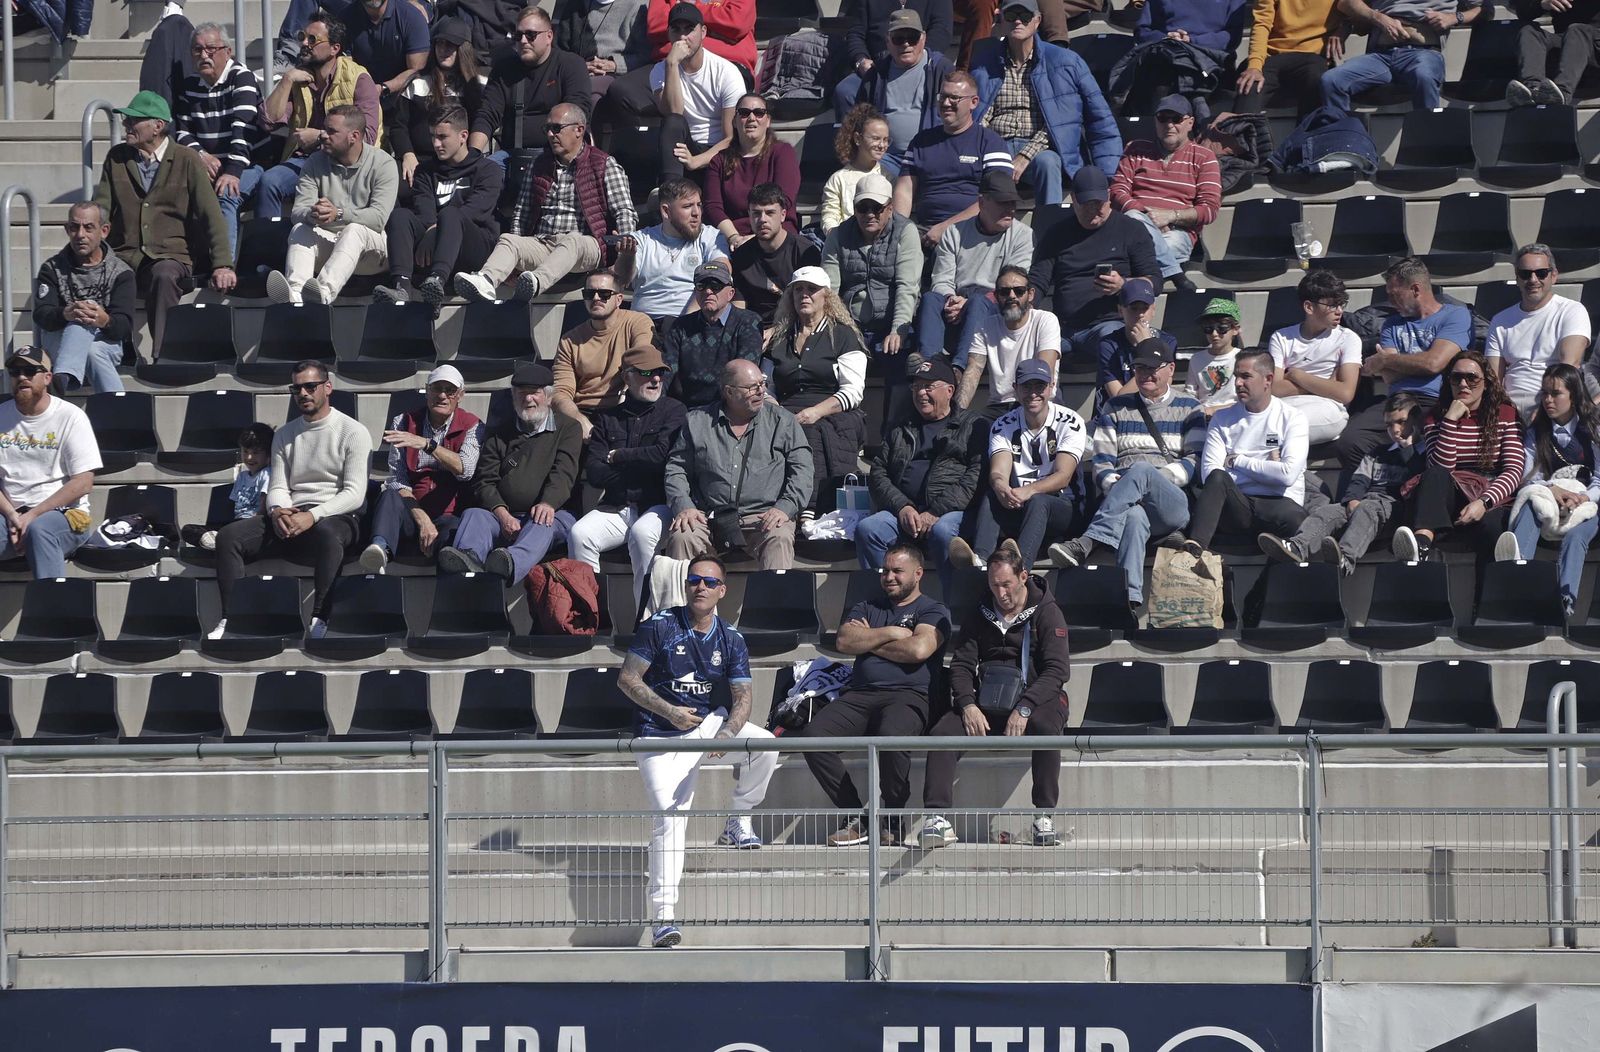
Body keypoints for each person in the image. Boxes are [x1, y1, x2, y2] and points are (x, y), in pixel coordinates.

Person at [617, 553, 777, 950]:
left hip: (704, 729)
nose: (700, 587)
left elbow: (743, 697)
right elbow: (627, 679)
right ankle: (663, 919)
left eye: (709, 581)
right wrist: (668, 711)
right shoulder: (659, 625)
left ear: (722, 590)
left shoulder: (731, 637)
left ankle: (737, 820)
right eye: (694, 580)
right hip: (657, 736)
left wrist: (726, 734)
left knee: (766, 747)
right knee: (670, 820)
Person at [916, 539, 1069, 849]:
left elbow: (1057, 672)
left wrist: (1025, 707)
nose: (1001, 593)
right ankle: (936, 818)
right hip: (988, 701)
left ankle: (1044, 817)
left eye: (1007, 585)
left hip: (1036, 699)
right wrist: (968, 705)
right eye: (994, 585)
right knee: (943, 730)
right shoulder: (980, 611)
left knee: (1047, 728)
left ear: (1023, 577)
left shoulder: (1048, 612)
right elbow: (960, 665)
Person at [802, 544, 951, 847]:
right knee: (814, 736)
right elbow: (844, 640)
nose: (889, 577)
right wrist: (894, 632)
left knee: (891, 738)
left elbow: (919, 650)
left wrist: (868, 640)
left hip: (908, 697)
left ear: (918, 573)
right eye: (886, 570)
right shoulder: (867, 606)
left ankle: (893, 818)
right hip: (860, 696)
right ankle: (857, 816)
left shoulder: (932, 610)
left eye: (898, 571)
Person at [211, 361, 371, 640]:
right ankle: (232, 618)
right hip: (291, 515)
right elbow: (278, 485)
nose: (303, 393)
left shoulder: (353, 431)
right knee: (228, 537)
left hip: (337, 516)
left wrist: (313, 515)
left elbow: (355, 494)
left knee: (328, 533)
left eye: (311, 386)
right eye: (296, 388)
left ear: (328, 387)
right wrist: (276, 511)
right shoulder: (285, 434)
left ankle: (320, 618)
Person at [1050, 338, 1206, 609]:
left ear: (1171, 368)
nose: (1146, 374)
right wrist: (1118, 485)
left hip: (1171, 500)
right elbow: (1102, 463)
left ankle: (1090, 540)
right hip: (1127, 502)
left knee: (1142, 470)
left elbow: (1194, 462)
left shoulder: (1190, 407)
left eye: (1152, 368)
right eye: (1139, 368)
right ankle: (1129, 601)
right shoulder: (1115, 408)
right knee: (1133, 517)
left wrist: (1147, 481)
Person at [93, 90, 235, 358]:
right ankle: (119, 351)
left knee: (164, 275)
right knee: (105, 273)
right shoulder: (117, 158)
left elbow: (211, 214)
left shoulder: (187, 159)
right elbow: (100, 209)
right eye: (126, 120)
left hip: (171, 254)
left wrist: (223, 264)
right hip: (126, 253)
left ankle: (165, 354)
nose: (126, 125)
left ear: (157, 125)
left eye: (133, 120)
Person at [454, 103, 638, 304]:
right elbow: (521, 213)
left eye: (556, 128)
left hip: (591, 244)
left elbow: (624, 211)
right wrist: (517, 259)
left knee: (572, 241)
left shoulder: (603, 163)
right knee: (509, 240)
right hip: (545, 242)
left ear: (579, 130)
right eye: (547, 129)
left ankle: (535, 283)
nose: (550, 134)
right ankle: (486, 281)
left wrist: (624, 245)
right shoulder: (538, 165)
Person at [437, 361, 582, 583]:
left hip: (552, 514)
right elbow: (485, 480)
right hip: (505, 516)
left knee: (542, 522)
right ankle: (468, 560)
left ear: (549, 397)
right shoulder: (499, 432)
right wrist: (502, 513)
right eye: (522, 394)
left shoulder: (568, 428)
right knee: (473, 515)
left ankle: (510, 563)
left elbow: (564, 473)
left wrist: (548, 503)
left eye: (535, 393)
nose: (528, 399)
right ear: (513, 397)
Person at [662, 358, 813, 569]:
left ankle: (776, 602)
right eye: (752, 387)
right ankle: (682, 602)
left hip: (764, 516)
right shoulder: (696, 422)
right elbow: (676, 469)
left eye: (762, 384)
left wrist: (785, 508)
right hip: (710, 517)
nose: (761, 392)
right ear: (729, 392)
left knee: (778, 536)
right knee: (683, 535)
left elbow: (803, 471)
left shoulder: (783, 421)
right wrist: (684, 506)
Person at [971, 0, 1121, 207]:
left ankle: (1047, 224)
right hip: (996, 145)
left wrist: (1107, 175)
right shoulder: (983, 62)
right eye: (1011, 15)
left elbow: (1098, 120)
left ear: (1037, 20)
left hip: (1041, 149)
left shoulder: (1066, 62)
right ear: (1001, 20)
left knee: (1048, 162)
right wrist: (992, 150)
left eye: (1025, 16)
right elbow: (977, 114)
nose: (1017, 21)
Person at [570, 345, 688, 604]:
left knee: (642, 534)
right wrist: (638, 466)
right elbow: (596, 473)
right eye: (647, 373)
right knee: (580, 533)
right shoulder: (607, 418)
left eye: (660, 372)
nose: (656, 379)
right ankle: (593, 617)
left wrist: (620, 456)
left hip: (658, 505)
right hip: (618, 506)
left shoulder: (674, 410)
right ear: (627, 377)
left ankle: (647, 621)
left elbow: (662, 457)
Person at [1260, 391, 1423, 574]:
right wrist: (1352, 499)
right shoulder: (1377, 453)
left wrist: (1409, 448)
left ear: (1416, 421)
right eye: (1389, 424)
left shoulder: (1423, 453)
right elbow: (1360, 479)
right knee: (1327, 511)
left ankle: (1346, 557)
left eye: (1401, 422)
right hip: (1365, 503)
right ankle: (1297, 547)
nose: (1395, 430)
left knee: (1367, 508)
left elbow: (1416, 480)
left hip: (1393, 509)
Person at [856, 357, 987, 585]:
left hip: (952, 514)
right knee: (869, 529)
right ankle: (886, 605)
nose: (921, 393)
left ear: (949, 391)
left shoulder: (973, 425)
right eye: (916, 386)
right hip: (907, 515)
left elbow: (975, 478)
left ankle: (953, 608)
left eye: (928, 386)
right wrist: (902, 506)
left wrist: (935, 511)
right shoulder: (901, 426)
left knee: (943, 531)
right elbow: (878, 473)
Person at [1338, 257, 1472, 473]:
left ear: (1415, 289)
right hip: (1397, 399)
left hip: (1436, 398)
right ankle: (1373, 490)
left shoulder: (1456, 316)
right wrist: (1399, 364)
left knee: (1430, 441)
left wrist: (1386, 360)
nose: (1390, 301)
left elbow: (1434, 363)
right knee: (1351, 441)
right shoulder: (1392, 323)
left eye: (1394, 294)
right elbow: (1390, 377)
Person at [953, 357, 1087, 570]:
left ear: (1051, 387)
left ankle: (1019, 568)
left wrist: (1029, 491)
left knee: (1039, 501)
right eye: (1026, 386)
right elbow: (999, 471)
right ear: (1015, 388)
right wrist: (1001, 487)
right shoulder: (1003, 424)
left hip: (1062, 508)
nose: (1033, 393)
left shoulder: (1070, 421)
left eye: (1039, 386)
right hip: (1020, 505)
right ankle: (980, 559)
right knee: (992, 496)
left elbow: (1063, 477)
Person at [1392, 350, 1525, 563]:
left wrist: (1484, 502)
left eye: (1472, 378)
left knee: (1492, 528)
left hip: (1492, 495)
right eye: (1456, 378)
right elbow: (1441, 468)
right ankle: (1421, 545)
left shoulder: (1506, 414)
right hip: (1452, 494)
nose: (1463, 384)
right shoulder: (1436, 417)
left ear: (1486, 383)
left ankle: (1494, 594)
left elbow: (1514, 470)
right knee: (1434, 474)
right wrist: (1450, 421)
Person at [265, 105, 399, 305]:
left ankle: (323, 293)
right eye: (323, 129)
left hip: (372, 252)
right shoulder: (314, 162)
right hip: (330, 242)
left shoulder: (383, 164)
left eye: (331, 131)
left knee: (354, 230)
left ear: (353, 136)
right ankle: (295, 295)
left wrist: (338, 213)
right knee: (301, 228)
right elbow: (297, 212)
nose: (323, 136)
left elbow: (378, 219)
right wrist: (313, 213)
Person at [1495, 364, 1600, 617]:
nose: (1548, 400)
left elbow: (1599, 478)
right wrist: (1552, 490)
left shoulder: (1593, 428)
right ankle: (1516, 579)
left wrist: (1582, 497)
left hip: (1589, 503)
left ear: (1573, 395)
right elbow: (1528, 477)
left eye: (1556, 393)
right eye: (1544, 393)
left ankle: (1566, 600)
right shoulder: (1537, 432)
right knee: (1531, 504)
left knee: (1577, 536)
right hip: (1553, 499)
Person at [1183, 348, 1310, 556]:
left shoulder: (1292, 418)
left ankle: (1263, 588)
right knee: (1217, 477)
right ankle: (1193, 552)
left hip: (1279, 505)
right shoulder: (1222, 419)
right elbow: (1210, 475)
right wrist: (1269, 469)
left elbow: (1287, 475)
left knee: (1298, 522)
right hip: (1237, 505)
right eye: (1236, 377)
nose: (1238, 383)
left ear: (1268, 379)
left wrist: (1236, 461)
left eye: (1246, 376)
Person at [375, 104, 502, 311]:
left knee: (451, 214)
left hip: (474, 246)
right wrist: (432, 230)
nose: (435, 143)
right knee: (400, 216)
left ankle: (436, 282)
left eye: (442, 137)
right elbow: (423, 210)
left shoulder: (488, 170)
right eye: (433, 136)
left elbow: (476, 211)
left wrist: (436, 230)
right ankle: (401, 287)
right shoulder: (425, 171)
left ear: (463, 136)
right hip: (432, 243)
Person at [1029, 165, 1161, 364]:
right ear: (1073, 200)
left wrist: (1124, 285)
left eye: (1098, 203)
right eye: (1086, 204)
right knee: (1032, 349)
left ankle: (1116, 394)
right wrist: (1025, 303)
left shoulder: (1131, 230)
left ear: (1109, 197)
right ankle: (1043, 394)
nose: (1093, 210)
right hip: (1064, 327)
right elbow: (1039, 280)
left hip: (1108, 323)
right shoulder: (1056, 234)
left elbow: (1155, 281)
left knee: (1112, 342)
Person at [764, 268, 870, 515]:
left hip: (832, 410)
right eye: (798, 290)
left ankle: (809, 506)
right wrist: (775, 408)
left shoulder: (843, 335)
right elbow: (765, 385)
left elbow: (853, 391)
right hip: (783, 409)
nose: (804, 295)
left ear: (827, 296)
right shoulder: (779, 338)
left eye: (812, 289)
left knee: (812, 430)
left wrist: (815, 412)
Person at [259, 12, 383, 221]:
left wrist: (319, 136)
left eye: (313, 39)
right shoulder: (298, 77)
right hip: (305, 162)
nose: (305, 43)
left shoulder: (358, 78)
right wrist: (287, 79)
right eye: (302, 37)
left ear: (335, 48)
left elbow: (367, 138)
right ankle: (268, 248)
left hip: (345, 165)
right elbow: (268, 122)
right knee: (270, 181)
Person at [361, 364, 483, 571]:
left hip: (450, 515)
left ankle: (451, 590)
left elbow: (466, 470)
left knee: (453, 540)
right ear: (427, 390)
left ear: (460, 395)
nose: (442, 395)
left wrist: (428, 444)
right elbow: (398, 480)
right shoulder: (403, 422)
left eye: (450, 390)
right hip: (412, 512)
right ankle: (379, 552)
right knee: (389, 495)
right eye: (437, 388)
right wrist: (423, 520)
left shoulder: (472, 425)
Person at [0, 347, 103, 579]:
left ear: (47, 377)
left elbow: (83, 482)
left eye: (30, 370)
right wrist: (13, 516)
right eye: (15, 371)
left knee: (40, 531)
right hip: (10, 517)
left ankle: (54, 610)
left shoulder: (70, 416)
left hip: (64, 516)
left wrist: (32, 516)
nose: (22, 377)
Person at [920, 169, 1033, 371]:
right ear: (982, 202)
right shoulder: (954, 232)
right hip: (957, 300)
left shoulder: (1023, 235)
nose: (1010, 209)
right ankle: (930, 367)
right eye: (1002, 203)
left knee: (979, 301)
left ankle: (960, 369)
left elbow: (1013, 286)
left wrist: (968, 303)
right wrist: (950, 299)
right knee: (930, 299)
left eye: (1012, 203)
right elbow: (941, 279)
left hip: (995, 303)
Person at [172, 23, 269, 259]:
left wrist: (233, 171)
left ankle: (225, 266)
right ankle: (185, 262)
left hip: (250, 162)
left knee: (227, 193)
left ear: (228, 51)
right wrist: (200, 155)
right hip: (210, 165)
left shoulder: (242, 77)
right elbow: (182, 132)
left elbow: (243, 127)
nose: (204, 55)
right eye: (197, 50)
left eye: (211, 49)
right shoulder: (190, 85)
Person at [1108, 94, 1218, 293]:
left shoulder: (1204, 157)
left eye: (1176, 119)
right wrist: (1146, 216)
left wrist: (1170, 217)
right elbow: (1117, 190)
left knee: (1139, 252)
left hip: (1176, 232)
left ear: (1190, 122)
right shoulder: (1135, 148)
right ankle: (1175, 273)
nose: (1169, 125)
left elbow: (1209, 210)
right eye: (1162, 118)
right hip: (1135, 226)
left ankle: (1127, 284)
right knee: (1133, 218)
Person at [893, 69, 1014, 247]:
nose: (946, 103)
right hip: (925, 232)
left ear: (974, 102)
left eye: (954, 98)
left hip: (975, 232)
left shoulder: (991, 142)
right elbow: (905, 190)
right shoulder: (921, 141)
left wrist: (947, 228)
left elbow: (997, 197)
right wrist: (900, 231)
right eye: (942, 97)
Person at [822, 173, 921, 388]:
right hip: (850, 323)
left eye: (876, 208)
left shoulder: (906, 231)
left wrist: (898, 330)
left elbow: (907, 286)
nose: (869, 214)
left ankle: (894, 422)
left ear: (890, 207)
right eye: (862, 208)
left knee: (900, 356)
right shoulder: (837, 236)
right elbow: (829, 291)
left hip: (890, 323)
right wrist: (841, 328)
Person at [33, 203, 134, 394]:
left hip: (105, 341)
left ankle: (61, 379)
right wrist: (66, 314)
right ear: (67, 230)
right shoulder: (51, 268)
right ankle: (122, 410)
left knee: (92, 336)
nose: (80, 235)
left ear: (104, 231)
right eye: (74, 227)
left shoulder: (121, 272)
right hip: (59, 339)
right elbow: (41, 314)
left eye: (88, 227)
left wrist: (104, 320)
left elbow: (124, 325)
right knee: (86, 332)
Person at [469, 7, 591, 163]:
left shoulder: (571, 65)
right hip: (512, 155)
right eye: (518, 35)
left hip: (558, 155)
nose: (523, 41)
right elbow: (487, 115)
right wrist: (473, 155)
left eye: (531, 35)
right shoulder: (504, 70)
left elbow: (578, 113)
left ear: (549, 36)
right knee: (485, 174)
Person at [1486, 245, 1593, 420]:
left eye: (1541, 273)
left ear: (1554, 276)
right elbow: (1494, 379)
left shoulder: (1571, 311)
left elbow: (1569, 367)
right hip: (1509, 407)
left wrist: (1544, 409)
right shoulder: (1500, 321)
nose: (1533, 279)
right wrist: (1502, 412)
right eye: (1525, 274)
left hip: (1553, 404)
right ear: (1517, 278)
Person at [1320, 0, 1482, 113]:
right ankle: (1341, 143)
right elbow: (1346, 3)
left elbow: (1484, 9)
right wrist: (1379, 18)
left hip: (1422, 51)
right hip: (1380, 55)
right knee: (1331, 80)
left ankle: (1427, 141)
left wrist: (1454, 18)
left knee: (1424, 76)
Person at [616, 178, 731, 333]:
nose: (696, 213)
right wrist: (627, 257)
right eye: (687, 206)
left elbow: (722, 270)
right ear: (666, 211)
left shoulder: (710, 236)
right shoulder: (642, 239)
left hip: (693, 323)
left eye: (699, 205)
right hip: (645, 324)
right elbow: (621, 280)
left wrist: (686, 322)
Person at [551, 270, 658, 439]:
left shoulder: (637, 322)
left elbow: (641, 358)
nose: (595, 298)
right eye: (589, 293)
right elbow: (561, 392)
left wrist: (627, 389)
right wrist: (579, 420)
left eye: (604, 293)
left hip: (624, 407)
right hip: (583, 411)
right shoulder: (569, 340)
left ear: (619, 299)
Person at [847, 10, 953, 175]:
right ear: (888, 40)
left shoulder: (941, 69)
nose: (906, 44)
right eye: (898, 38)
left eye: (912, 38)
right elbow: (859, 119)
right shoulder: (876, 74)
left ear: (923, 38)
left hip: (931, 155)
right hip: (886, 157)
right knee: (866, 189)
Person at [649, 3, 745, 180]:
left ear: (703, 32)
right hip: (684, 147)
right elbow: (674, 112)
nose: (683, 37)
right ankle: (672, 192)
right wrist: (672, 64)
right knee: (672, 122)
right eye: (676, 30)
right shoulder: (660, 70)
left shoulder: (726, 72)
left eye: (689, 29)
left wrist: (696, 161)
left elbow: (731, 138)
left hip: (719, 151)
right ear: (669, 34)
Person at [1266, 268, 1361, 444]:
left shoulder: (1348, 338)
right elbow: (1275, 389)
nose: (1339, 311)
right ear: (1309, 307)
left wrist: (1297, 375)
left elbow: (1345, 393)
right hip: (1286, 404)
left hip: (1328, 409)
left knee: (1283, 427)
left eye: (1341, 304)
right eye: (1332, 305)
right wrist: (1327, 385)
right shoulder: (1281, 337)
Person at [956, 265, 1062, 420]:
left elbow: (1044, 371)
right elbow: (973, 371)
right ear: (996, 296)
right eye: (1005, 292)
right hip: (999, 407)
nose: (1012, 296)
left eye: (1019, 291)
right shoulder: (985, 326)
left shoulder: (1045, 320)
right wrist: (957, 415)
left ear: (1030, 294)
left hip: (1038, 402)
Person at [390, 19, 484, 190]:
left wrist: (469, 159)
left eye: (450, 45)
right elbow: (399, 126)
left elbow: (482, 123)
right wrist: (407, 154)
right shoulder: (417, 84)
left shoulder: (477, 86)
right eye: (439, 44)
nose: (443, 50)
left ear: (463, 49)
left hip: (460, 163)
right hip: (419, 161)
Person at [661, 258, 764, 408]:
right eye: (701, 286)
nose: (708, 291)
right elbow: (666, 372)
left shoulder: (749, 322)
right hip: (686, 408)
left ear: (731, 293)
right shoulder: (680, 326)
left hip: (730, 407)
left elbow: (742, 377)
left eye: (715, 286)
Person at [704, 93, 800, 245]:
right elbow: (713, 207)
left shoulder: (783, 152)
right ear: (735, 121)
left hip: (776, 234)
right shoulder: (719, 161)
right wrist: (734, 237)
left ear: (768, 121)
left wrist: (756, 239)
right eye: (744, 113)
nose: (751, 118)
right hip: (733, 237)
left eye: (759, 113)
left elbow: (785, 200)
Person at [730, 184, 820, 328]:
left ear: (783, 215)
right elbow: (739, 308)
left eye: (770, 213)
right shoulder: (741, 256)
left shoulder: (804, 252)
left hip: (796, 326)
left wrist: (776, 331)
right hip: (754, 330)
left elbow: (812, 308)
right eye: (756, 213)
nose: (762, 220)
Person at [1234, 0, 1343, 115]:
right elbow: (1262, 23)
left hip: (1313, 58)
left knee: (1318, 79)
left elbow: (1352, 14)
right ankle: (1240, 129)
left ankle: (1309, 132)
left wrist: (1343, 29)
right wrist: (1254, 66)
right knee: (1250, 84)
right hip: (1271, 56)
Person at [1093, 277, 1177, 417]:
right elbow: (1118, 399)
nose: (1140, 314)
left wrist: (1146, 345)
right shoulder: (1108, 345)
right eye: (1134, 308)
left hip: (1153, 413)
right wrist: (1146, 349)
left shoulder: (1167, 342)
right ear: (1121, 310)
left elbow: (1161, 388)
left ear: (1153, 310)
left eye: (1145, 308)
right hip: (1114, 417)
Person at [189, 423, 276, 552]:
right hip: (236, 523)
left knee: (229, 533)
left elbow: (263, 506)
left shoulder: (266, 474)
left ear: (268, 455)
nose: (249, 457)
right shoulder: (242, 476)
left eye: (256, 453)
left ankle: (221, 541)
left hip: (253, 525)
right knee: (189, 529)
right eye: (245, 452)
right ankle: (216, 542)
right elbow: (233, 505)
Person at [551, 0, 652, 106]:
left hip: (617, 74)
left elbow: (645, 55)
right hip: (578, 71)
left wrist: (615, 65)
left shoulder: (637, 6)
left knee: (588, 93)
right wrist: (578, 66)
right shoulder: (575, 5)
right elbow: (560, 49)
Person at [1507, 0, 1600, 106]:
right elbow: (1523, 11)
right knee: (1529, 31)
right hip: (1567, 44)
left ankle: (1562, 92)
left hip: (1595, 46)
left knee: (1576, 30)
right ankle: (1533, 89)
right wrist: (1542, 3)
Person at [821, 105, 893, 232]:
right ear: (858, 139)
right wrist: (838, 239)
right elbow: (830, 217)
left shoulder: (889, 178)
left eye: (886, 140)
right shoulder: (839, 179)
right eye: (876, 138)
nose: (882, 145)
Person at [340, 0, 430, 101]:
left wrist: (383, 88)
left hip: (403, 98)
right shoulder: (345, 18)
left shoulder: (411, 17)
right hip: (361, 96)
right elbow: (345, 65)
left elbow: (416, 69)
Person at [645, 0, 758, 77]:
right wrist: (718, 30)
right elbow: (656, 26)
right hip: (671, 66)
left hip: (728, 65)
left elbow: (736, 22)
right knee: (628, 93)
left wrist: (687, 11)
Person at [1185, 297, 1244, 416]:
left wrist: (1214, 410)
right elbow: (1190, 394)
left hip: (1235, 413)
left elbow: (1247, 397)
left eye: (1222, 328)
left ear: (1235, 329)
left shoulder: (1242, 358)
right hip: (1203, 414)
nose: (1214, 334)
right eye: (1208, 329)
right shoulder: (1197, 359)